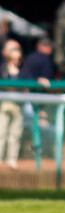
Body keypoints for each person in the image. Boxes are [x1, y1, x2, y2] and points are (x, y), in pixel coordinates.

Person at [0, 41, 23, 170]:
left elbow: (31, 80)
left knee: (15, 134)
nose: (16, 61)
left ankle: (12, 159)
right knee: (1, 132)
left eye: (18, 59)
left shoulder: (23, 70)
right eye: (14, 58)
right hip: (3, 104)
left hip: (17, 105)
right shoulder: (2, 68)